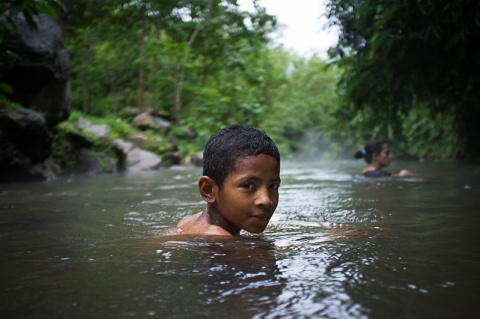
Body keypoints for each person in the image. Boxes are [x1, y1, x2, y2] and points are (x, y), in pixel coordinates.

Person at [165, 124, 281, 236]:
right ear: (208, 190)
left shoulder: (190, 222)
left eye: (273, 186)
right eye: (247, 185)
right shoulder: (217, 238)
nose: (266, 201)